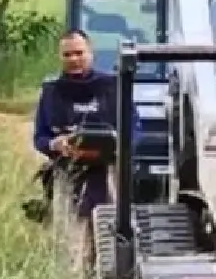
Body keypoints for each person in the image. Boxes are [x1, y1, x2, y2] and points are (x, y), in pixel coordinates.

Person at [30, 29, 142, 222]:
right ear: (60, 57)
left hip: (108, 175)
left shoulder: (112, 87)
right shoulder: (51, 92)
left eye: (79, 53)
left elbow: (135, 129)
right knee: (72, 240)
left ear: (91, 53)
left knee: (108, 236)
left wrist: (119, 148)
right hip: (67, 175)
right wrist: (54, 145)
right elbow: (40, 137)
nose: (73, 59)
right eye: (67, 54)